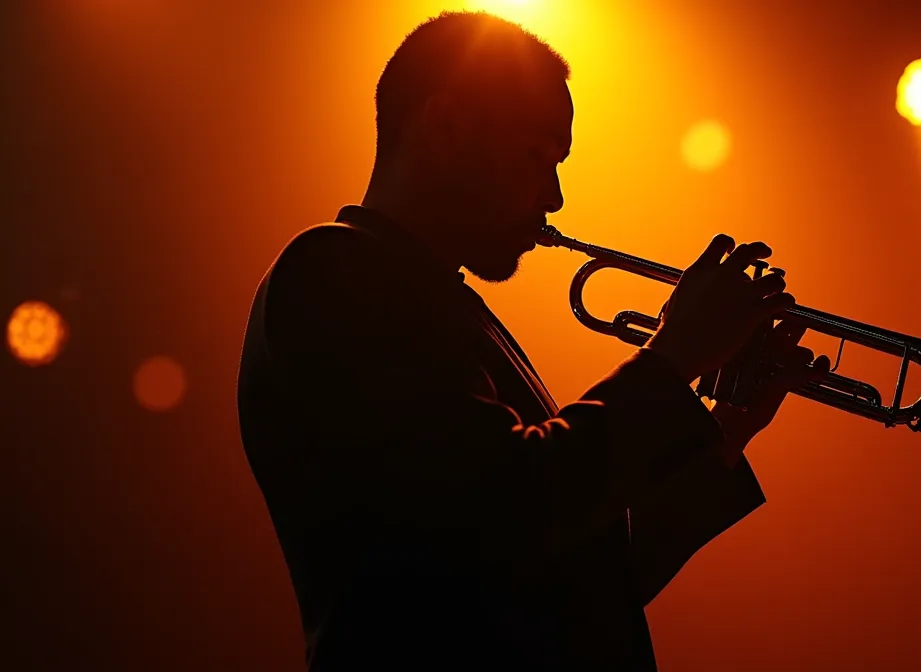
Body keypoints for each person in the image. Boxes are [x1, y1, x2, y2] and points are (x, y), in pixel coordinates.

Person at [236, 11, 827, 671]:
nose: (554, 196)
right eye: (536, 157)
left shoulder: (445, 303)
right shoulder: (330, 272)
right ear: (446, 128)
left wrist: (724, 430)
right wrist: (672, 359)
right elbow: (504, 513)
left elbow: (585, 581)